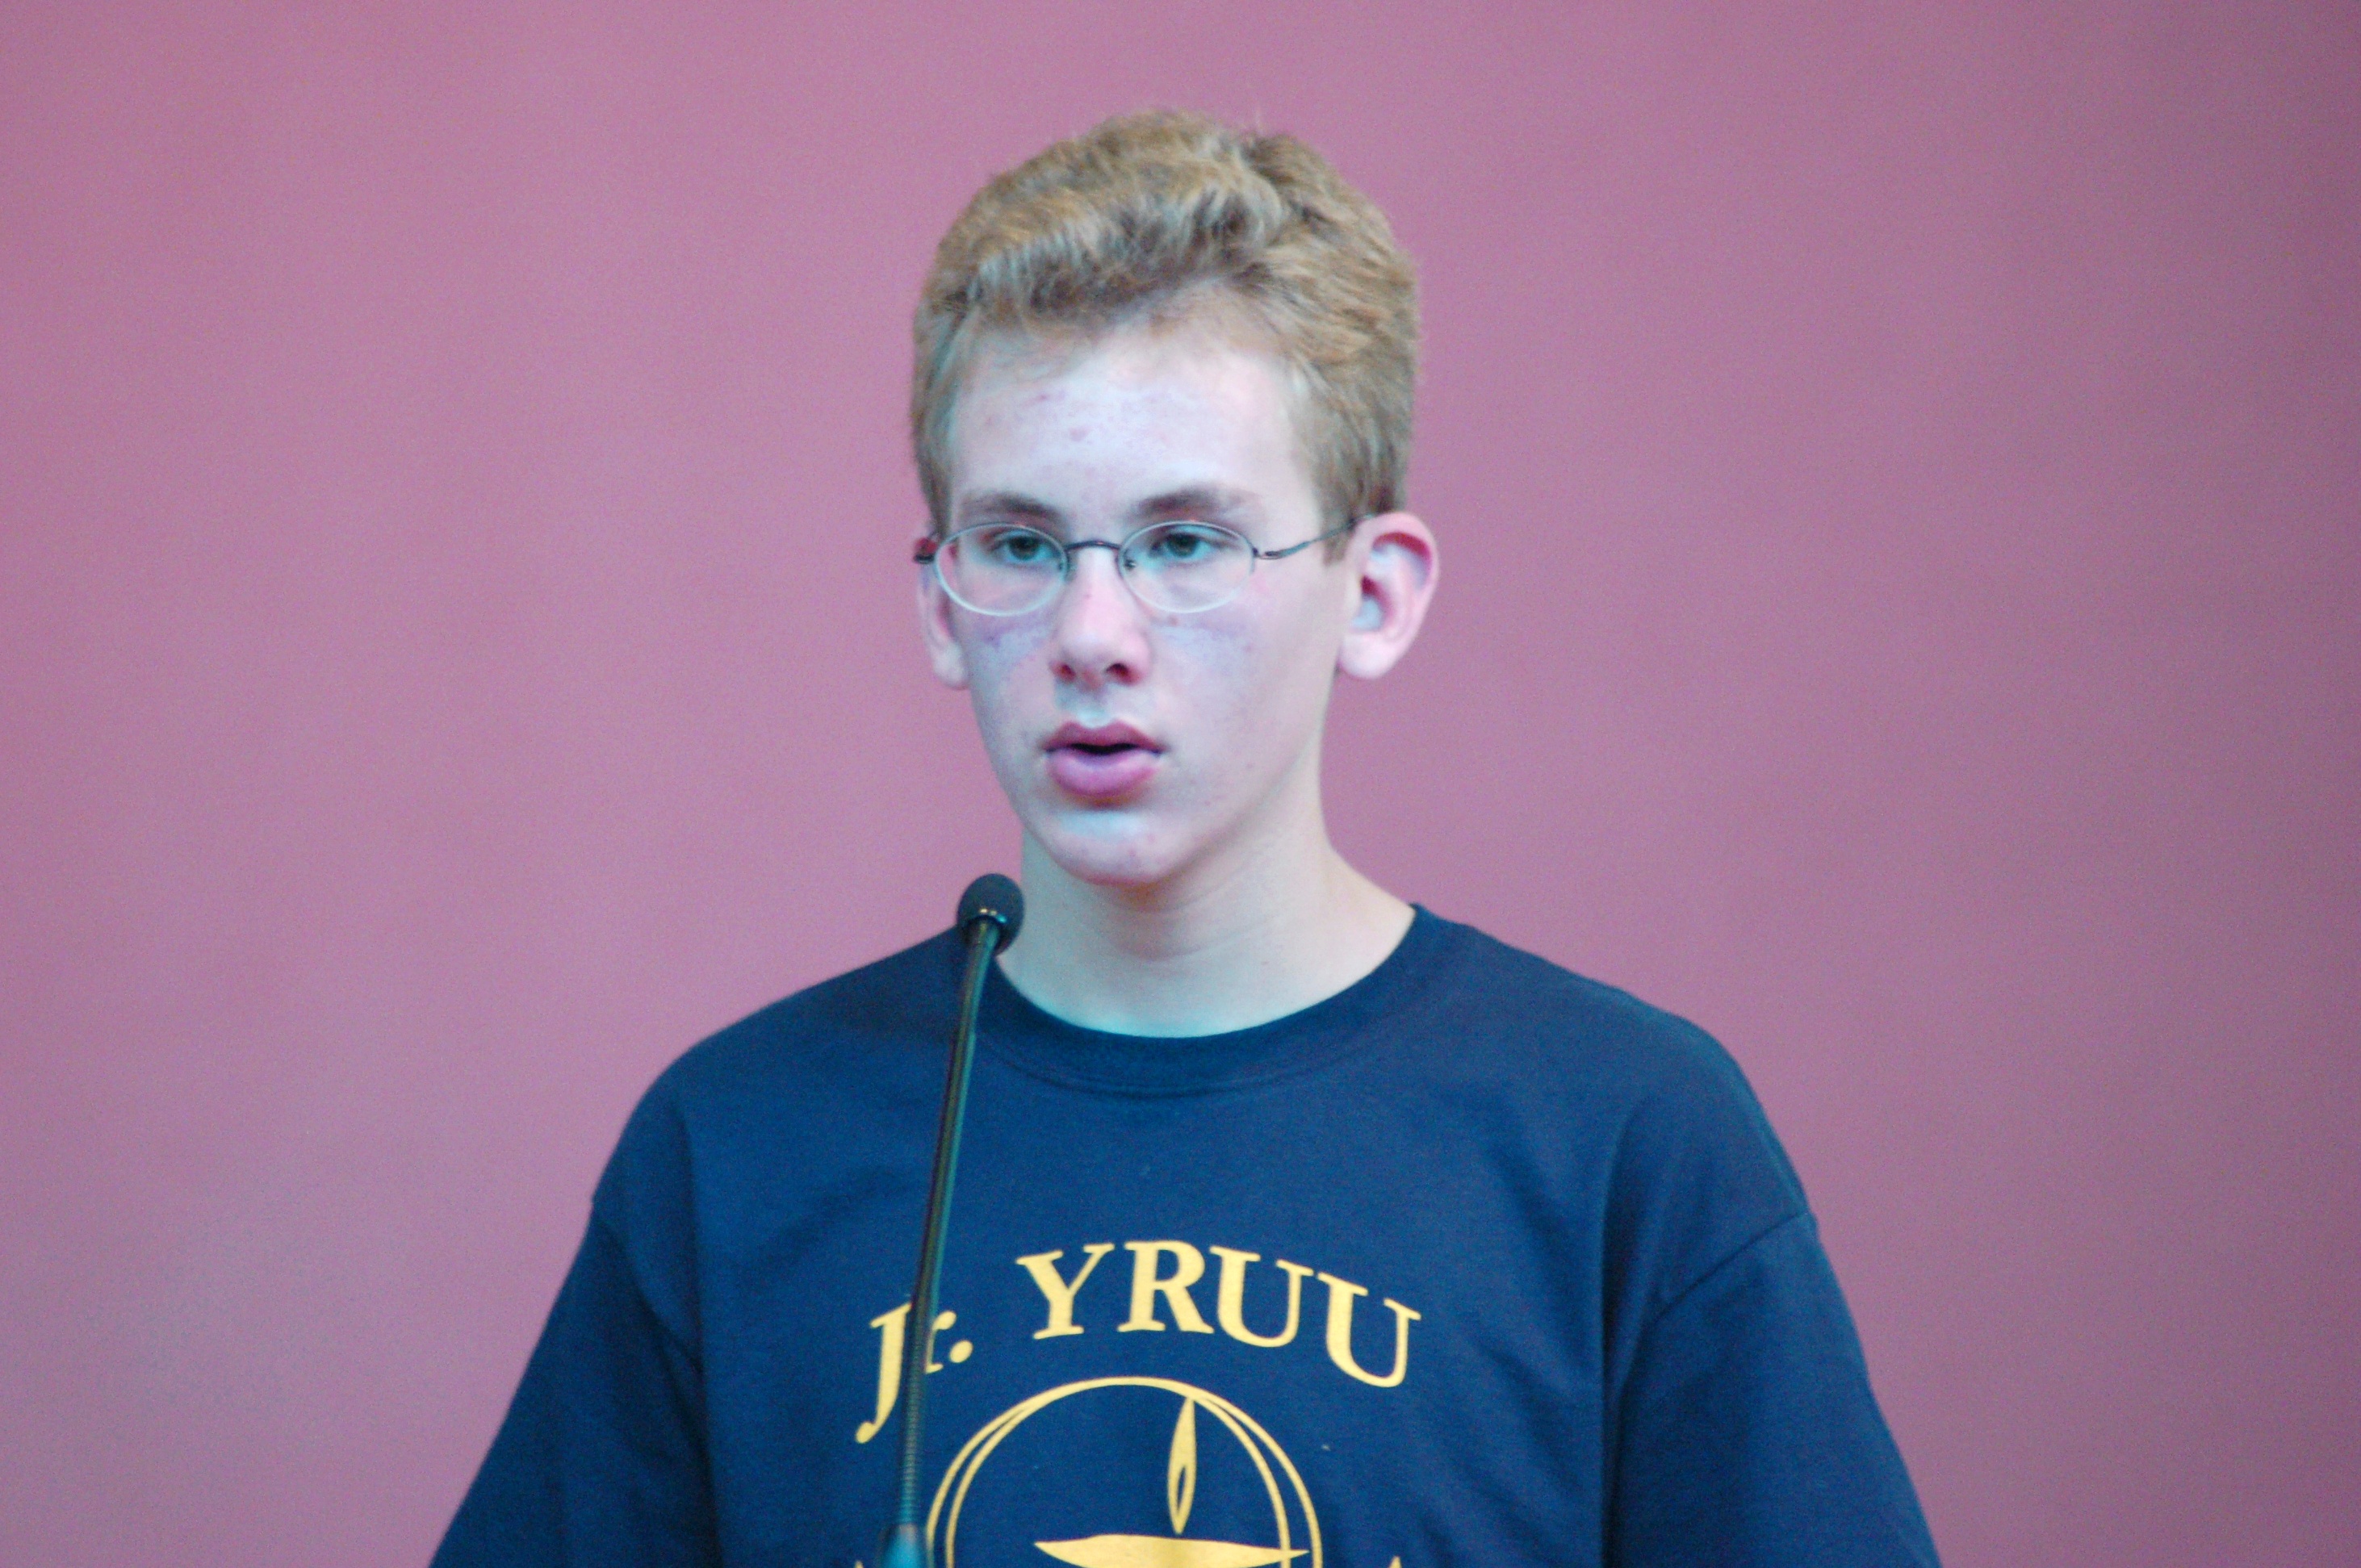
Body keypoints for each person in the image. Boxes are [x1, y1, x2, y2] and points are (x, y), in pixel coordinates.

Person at [433, 111, 1939, 1568]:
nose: (1092, 632)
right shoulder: (740, 1147)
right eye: (1022, 545)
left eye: (1184, 543)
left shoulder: (1622, 1141)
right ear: (940, 605)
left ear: (1373, 594)